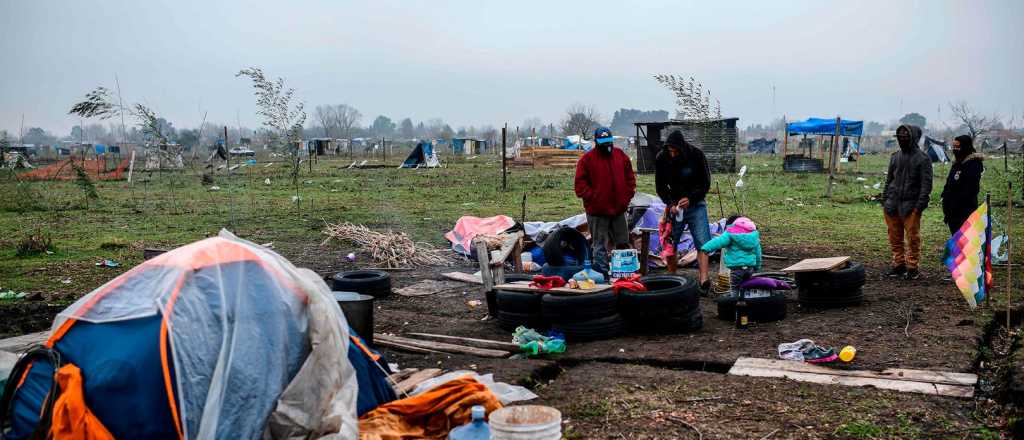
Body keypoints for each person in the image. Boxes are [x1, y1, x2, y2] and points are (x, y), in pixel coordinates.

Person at [655, 130, 713, 291]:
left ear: (682, 148)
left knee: (703, 241)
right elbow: (660, 187)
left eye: (675, 151)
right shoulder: (662, 158)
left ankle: (704, 281)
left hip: (696, 204)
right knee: (671, 242)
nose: (672, 154)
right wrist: (670, 204)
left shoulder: (696, 155)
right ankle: (673, 279)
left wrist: (691, 198)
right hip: (675, 207)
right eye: (670, 151)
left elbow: (705, 183)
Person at [574, 127, 636, 274]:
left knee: (622, 242)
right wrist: (595, 199)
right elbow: (580, 186)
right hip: (597, 212)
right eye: (603, 142)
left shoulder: (620, 155)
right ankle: (602, 274)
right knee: (599, 245)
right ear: (596, 142)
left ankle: (623, 273)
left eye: (609, 141)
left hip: (619, 210)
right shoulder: (586, 160)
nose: (607, 145)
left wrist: (627, 195)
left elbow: (630, 177)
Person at [881, 124, 932, 280]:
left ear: (914, 138)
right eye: (900, 136)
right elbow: (889, 180)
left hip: (911, 206)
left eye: (905, 136)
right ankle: (898, 265)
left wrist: (919, 206)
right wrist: (885, 200)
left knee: (913, 239)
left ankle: (912, 268)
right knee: (895, 238)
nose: (902, 139)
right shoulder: (895, 157)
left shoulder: (923, 159)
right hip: (892, 205)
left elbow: (926, 185)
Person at [700, 215, 762, 288]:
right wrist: (757, 267)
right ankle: (745, 294)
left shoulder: (730, 233)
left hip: (736, 269)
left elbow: (718, 241)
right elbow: (758, 254)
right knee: (746, 286)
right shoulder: (754, 236)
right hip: (750, 268)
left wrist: (706, 248)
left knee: (734, 288)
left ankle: (734, 294)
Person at [941, 135, 984, 235]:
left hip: (964, 212)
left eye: (958, 147)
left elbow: (971, 190)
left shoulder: (973, 164)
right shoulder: (957, 163)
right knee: (956, 238)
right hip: (952, 212)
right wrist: (944, 197)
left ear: (965, 147)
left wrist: (955, 203)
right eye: (954, 147)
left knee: (965, 239)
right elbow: (949, 182)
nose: (955, 149)